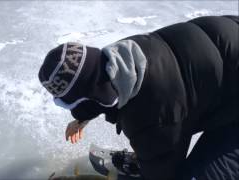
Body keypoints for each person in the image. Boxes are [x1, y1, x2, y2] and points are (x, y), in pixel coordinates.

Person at [38, 15, 239, 180]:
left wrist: (152, 164)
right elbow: (94, 81)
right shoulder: (120, 54)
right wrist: (83, 118)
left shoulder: (151, 114)